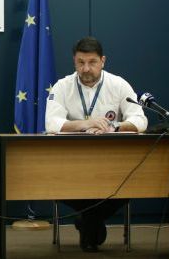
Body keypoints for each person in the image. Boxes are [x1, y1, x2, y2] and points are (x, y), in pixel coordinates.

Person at [45, 36, 147, 252]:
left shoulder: (119, 85)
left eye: (92, 62)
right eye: (80, 62)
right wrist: (85, 124)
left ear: (103, 61)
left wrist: (114, 127)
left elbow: (140, 120)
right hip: (70, 164)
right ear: (74, 61)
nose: (86, 69)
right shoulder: (62, 86)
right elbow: (51, 123)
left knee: (128, 184)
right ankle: (92, 222)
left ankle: (87, 221)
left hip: (113, 164)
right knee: (57, 185)